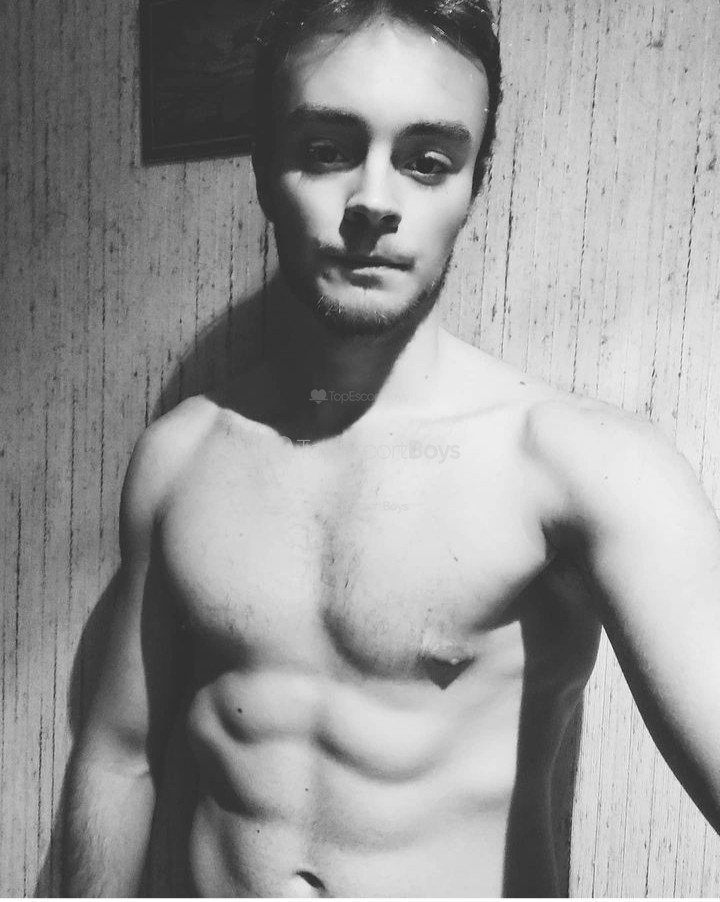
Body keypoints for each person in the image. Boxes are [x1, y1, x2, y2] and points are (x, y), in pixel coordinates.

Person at [63, 0, 720, 896]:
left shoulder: (586, 467)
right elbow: (117, 758)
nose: (374, 201)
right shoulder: (179, 459)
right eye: (327, 149)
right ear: (264, 172)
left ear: (474, 188)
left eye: (427, 161)